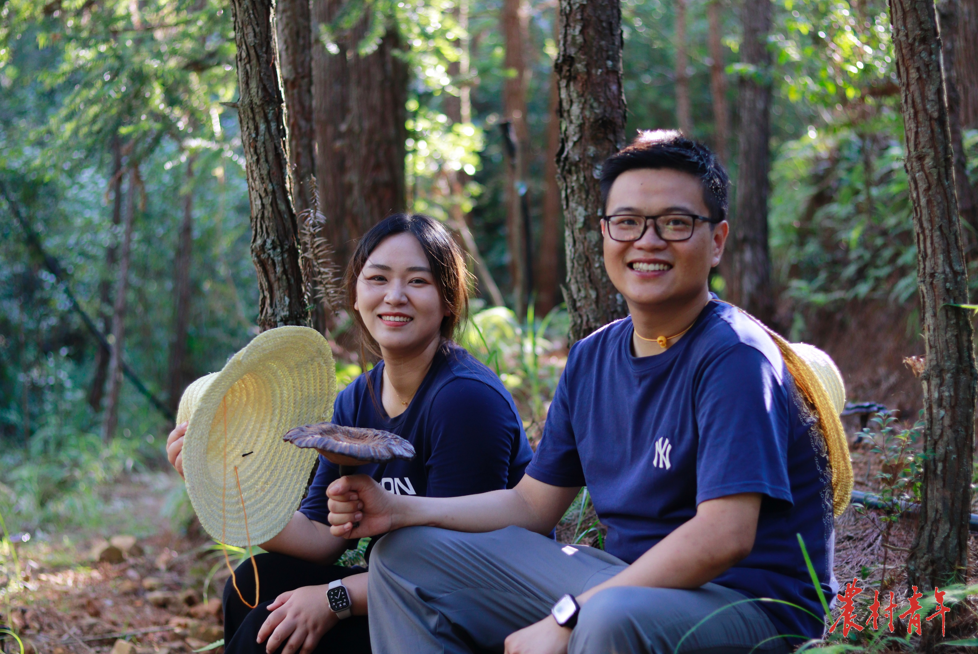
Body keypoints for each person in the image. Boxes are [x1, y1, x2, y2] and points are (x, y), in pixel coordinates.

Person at [326, 131, 837, 654]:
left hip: (747, 606)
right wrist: (400, 510)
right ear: (604, 233)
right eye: (628, 222)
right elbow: (531, 506)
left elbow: (723, 538)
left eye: (676, 223)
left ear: (717, 241)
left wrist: (569, 616)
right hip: (627, 581)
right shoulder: (593, 358)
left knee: (609, 616)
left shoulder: (734, 355)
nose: (649, 240)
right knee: (405, 555)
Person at [166, 213, 533, 654]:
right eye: (377, 278)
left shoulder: (464, 400)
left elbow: (456, 569)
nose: (394, 297)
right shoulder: (358, 399)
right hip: (399, 586)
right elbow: (320, 538)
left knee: (271, 638)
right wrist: (211, 480)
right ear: (356, 295)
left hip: (476, 610)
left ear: (448, 299)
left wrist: (332, 599)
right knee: (254, 583)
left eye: (418, 282)